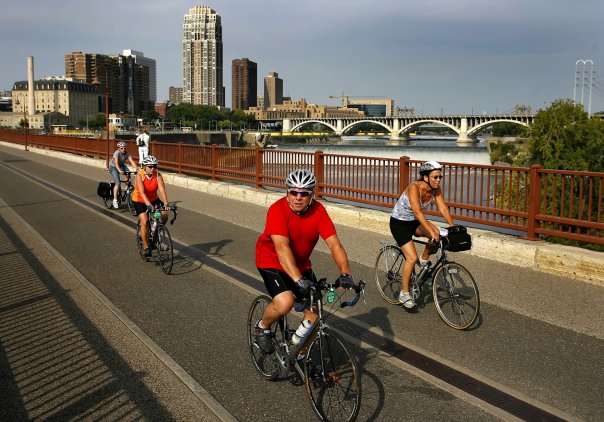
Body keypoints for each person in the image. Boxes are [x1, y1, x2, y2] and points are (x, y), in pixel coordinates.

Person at [254, 169, 355, 354]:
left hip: (300, 263)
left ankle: (300, 353)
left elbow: (334, 244)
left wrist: (345, 272)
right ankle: (263, 326)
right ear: (287, 193)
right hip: (272, 260)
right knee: (285, 302)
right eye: (293, 192)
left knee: (314, 313)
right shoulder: (277, 210)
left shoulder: (318, 211)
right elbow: (282, 249)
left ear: (312, 194)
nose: (298, 198)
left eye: (304, 193)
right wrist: (298, 280)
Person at [390, 161, 454, 310]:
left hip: (413, 222)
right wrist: (431, 230)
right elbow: (418, 212)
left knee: (437, 236)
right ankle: (404, 293)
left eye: (440, 177)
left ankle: (423, 259)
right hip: (399, 224)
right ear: (425, 177)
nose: (438, 180)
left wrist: (452, 225)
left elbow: (443, 207)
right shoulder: (414, 187)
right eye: (435, 177)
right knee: (411, 258)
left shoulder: (435, 189)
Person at [131, 155, 169, 258]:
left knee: (164, 214)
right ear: (144, 166)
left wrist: (166, 204)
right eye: (150, 166)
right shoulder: (140, 175)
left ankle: (156, 230)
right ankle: (146, 246)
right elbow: (142, 192)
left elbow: (162, 190)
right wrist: (148, 205)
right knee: (145, 222)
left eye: (154, 166)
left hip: (153, 199)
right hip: (140, 200)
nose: (153, 169)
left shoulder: (158, 175)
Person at [107, 141, 137, 209]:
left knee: (128, 176)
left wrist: (137, 169)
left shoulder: (127, 153)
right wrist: (119, 170)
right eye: (121, 148)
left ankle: (128, 188)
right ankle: (115, 199)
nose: (123, 150)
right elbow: (116, 163)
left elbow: (132, 161)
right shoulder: (116, 153)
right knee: (117, 183)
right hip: (114, 167)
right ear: (118, 148)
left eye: (124, 148)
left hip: (122, 166)